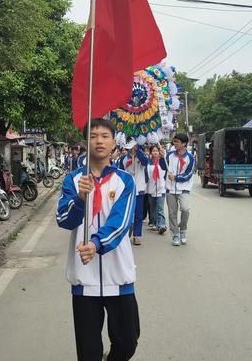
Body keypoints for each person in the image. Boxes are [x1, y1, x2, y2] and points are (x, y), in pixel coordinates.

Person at [56, 118, 139, 361]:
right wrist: (80, 199)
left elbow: (121, 222)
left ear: (114, 143)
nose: (99, 141)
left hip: (119, 277)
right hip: (85, 280)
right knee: (88, 352)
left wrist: (96, 244)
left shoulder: (125, 180)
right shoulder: (73, 179)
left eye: (105, 136)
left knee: (127, 344)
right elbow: (64, 220)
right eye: (93, 136)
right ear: (85, 142)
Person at [164, 133, 195, 247]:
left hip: (184, 189)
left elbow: (189, 174)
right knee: (172, 213)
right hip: (170, 189)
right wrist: (162, 156)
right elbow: (163, 167)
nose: (174, 144)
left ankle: (182, 230)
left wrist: (176, 178)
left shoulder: (190, 158)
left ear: (184, 144)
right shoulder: (169, 155)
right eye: (174, 141)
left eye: (177, 142)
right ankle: (175, 234)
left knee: (185, 209)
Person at [119, 141, 149, 247]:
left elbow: (146, 162)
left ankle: (137, 235)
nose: (133, 147)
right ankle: (127, 229)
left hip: (139, 188)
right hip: (127, 189)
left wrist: (137, 151)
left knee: (138, 213)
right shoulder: (123, 158)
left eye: (135, 145)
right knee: (127, 212)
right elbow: (120, 174)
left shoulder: (141, 156)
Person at [146, 145, 167, 236]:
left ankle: (161, 225)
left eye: (157, 151)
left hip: (161, 189)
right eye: (153, 151)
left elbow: (166, 172)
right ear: (150, 153)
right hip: (151, 189)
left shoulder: (162, 162)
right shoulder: (148, 164)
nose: (155, 152)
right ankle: (154, 222)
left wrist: (163, 156)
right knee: (153, 208)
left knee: (160, 208)